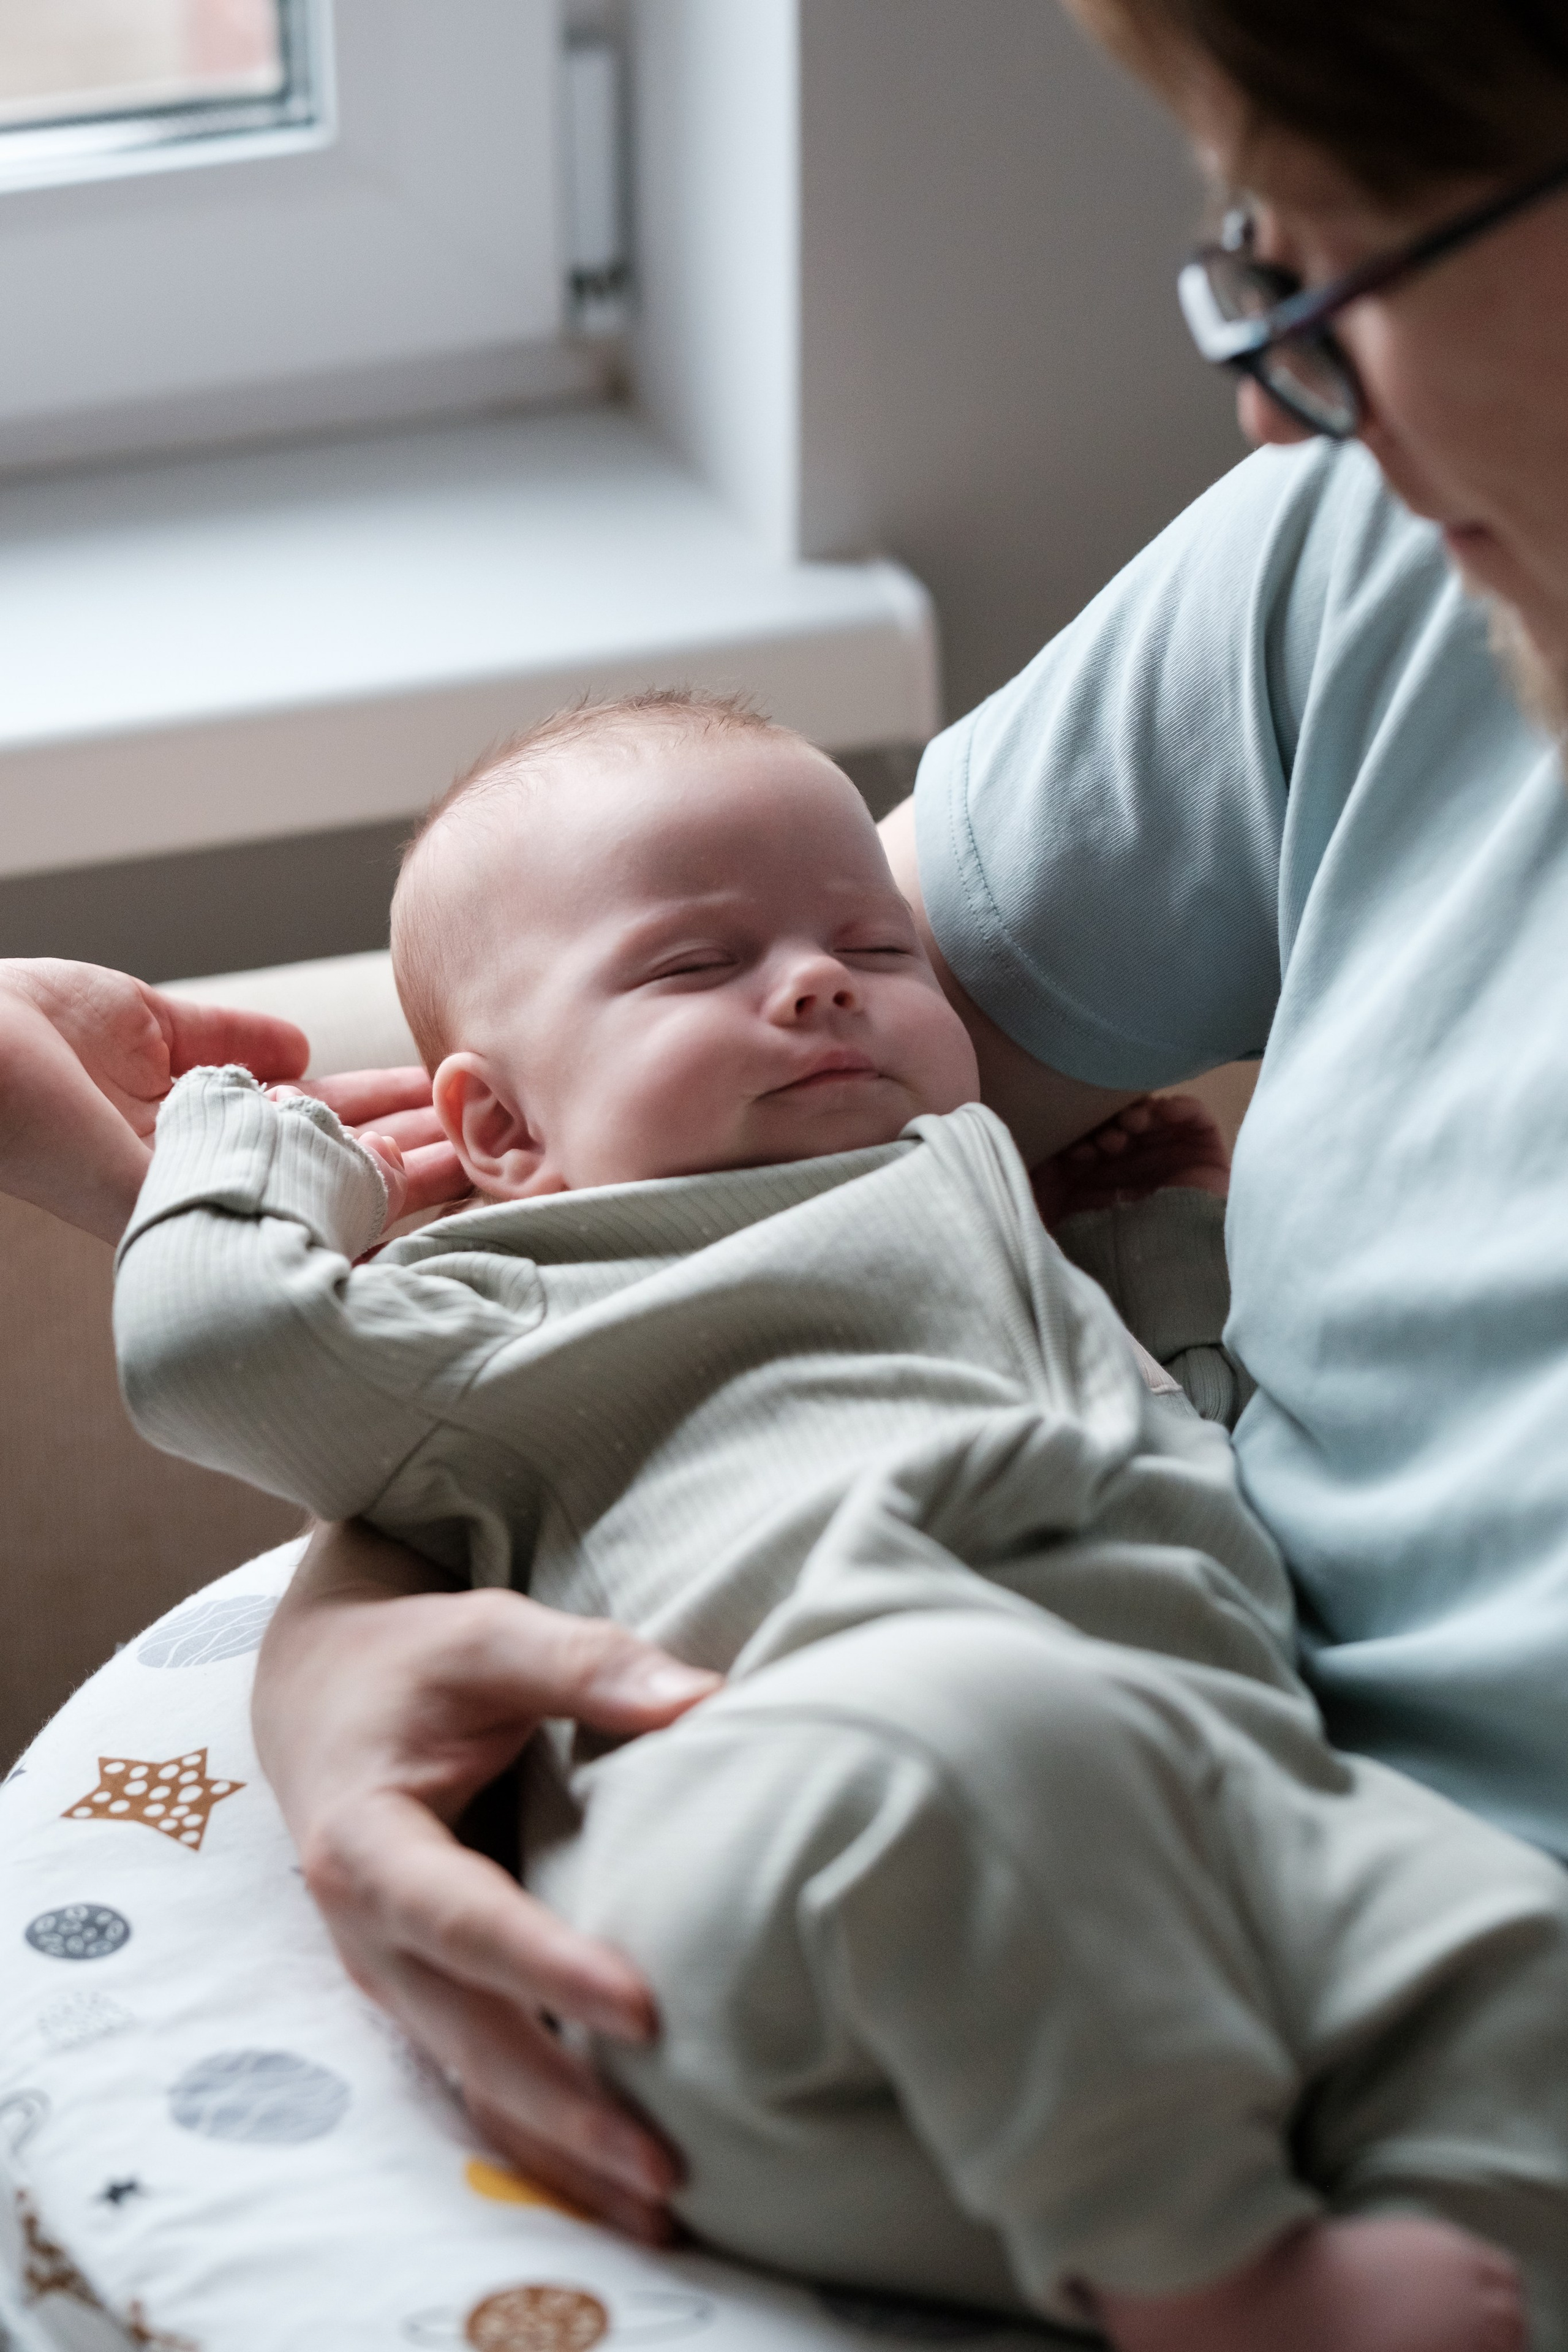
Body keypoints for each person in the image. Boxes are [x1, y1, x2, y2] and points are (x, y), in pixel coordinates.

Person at [237, 0, 1568, 2255]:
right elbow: (721, 1188)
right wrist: (368, 1619)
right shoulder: (1367, 568)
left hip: (1371, 1984)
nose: (1267, 384)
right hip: (1032, 1894)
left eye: (1326, 248)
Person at [113, 695, 1568, 2352]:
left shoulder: (982, 1201)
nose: (819, 983)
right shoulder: (518, 1298)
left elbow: (1196, 1427)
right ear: (504, 1131)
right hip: (813, 1888)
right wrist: (261, 1141)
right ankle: (1220, 2272)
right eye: (691, 965)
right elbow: (214, 1351)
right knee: (980, 1727)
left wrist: (1155, 1240)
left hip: (1211, 1835)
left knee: (1497, 1937)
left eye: (876, 945)